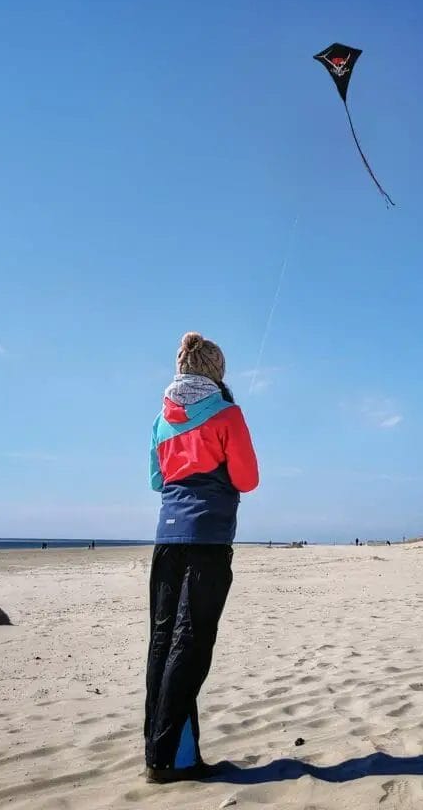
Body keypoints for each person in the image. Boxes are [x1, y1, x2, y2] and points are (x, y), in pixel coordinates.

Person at [145, 332, 259, 783]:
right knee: (190, 646)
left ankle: (172, 755)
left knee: (163, 643)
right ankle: (165, 759)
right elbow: (247, 479)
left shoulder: (160, 418)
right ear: (216, 370)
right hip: (207, 540)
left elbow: (157, 480)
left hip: (166, 539)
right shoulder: (228, 414)